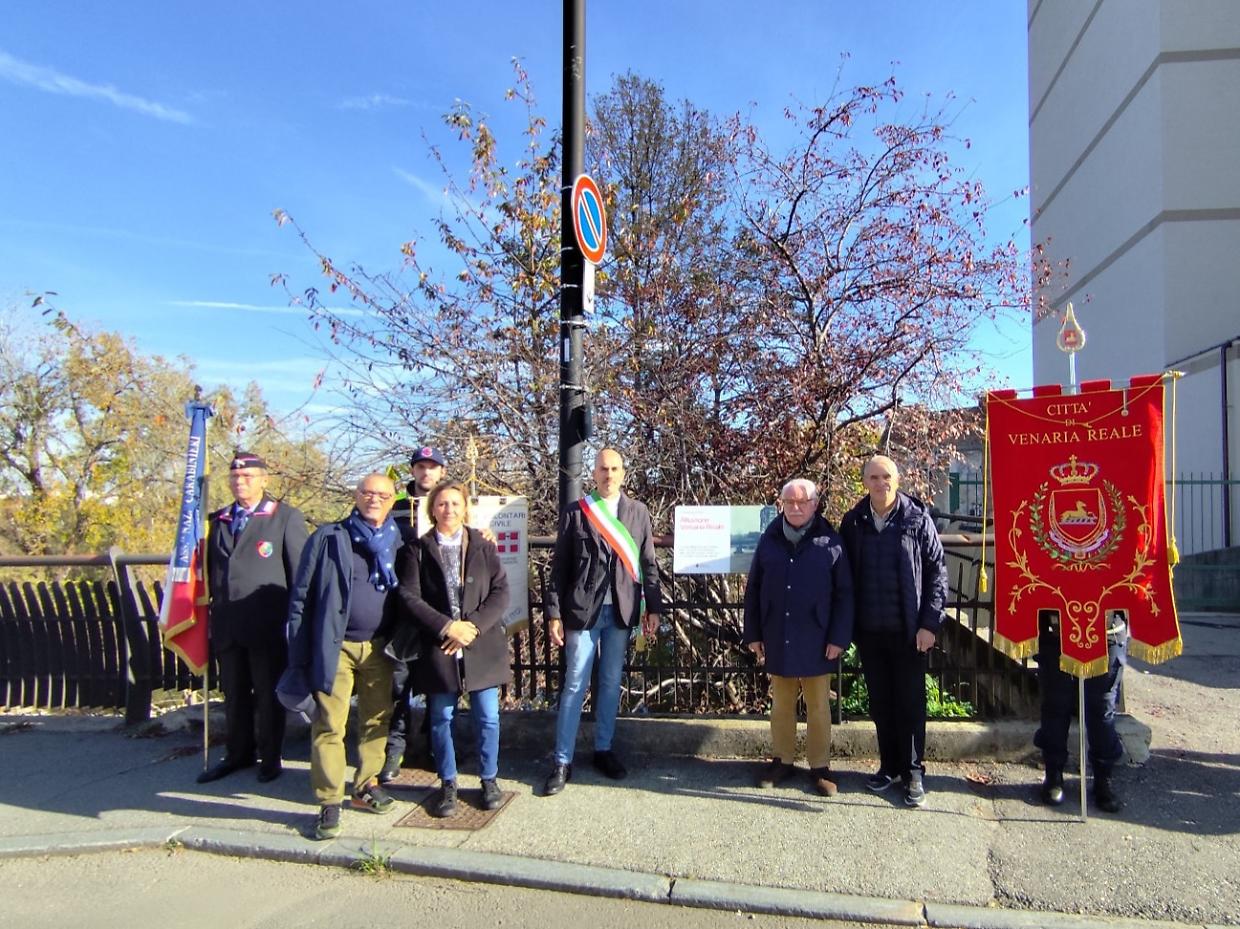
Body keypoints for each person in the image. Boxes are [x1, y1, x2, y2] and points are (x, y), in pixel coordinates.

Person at [285, 473, 407, 840]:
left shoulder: (399, 540)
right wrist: (298, 647)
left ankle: (366, 784)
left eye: (383, 495)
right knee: (329, 724)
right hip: (334, 646)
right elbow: (301, 596)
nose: (375, 500)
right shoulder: (328, 537)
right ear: (356, 495)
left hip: (381, 646)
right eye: (368, 493)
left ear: (392, 500)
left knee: (375, 721)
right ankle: (329, 800)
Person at [542, 448, 664, 796]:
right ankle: (562, 760)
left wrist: (652, 608)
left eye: (614, 469)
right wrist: (553, 613)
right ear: (593, 473)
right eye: (602, 469)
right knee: (575, 684)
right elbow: (559, 569)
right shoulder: (576, 513)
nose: (608, 474)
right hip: (582, 612)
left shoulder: (638, 512)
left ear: (623, 473)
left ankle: (603, 750)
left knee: (610, 683)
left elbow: (648, 564)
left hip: (622, 612)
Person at [396, 480, 510, 817]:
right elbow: (408, 596)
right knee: (441, 717)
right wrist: (448, 627)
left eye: (455, 504)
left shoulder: (483, 545)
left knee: (488, 716)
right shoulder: (417, 549)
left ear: (465, 508)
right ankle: (448, 783)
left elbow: (501, 592)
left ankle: (489, 779)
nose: (449, 510)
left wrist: (472, 626)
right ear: (433, 508)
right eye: (443, 504)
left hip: (480, 643)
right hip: (440, 645)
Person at [839, 455, 947, 808]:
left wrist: (929, 623)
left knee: (911, 703)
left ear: (897, 480)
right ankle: (889, 765)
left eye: (886, 476)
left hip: (909, 632)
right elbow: (843, 578)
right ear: (865, 481)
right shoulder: (853, 522)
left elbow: (936, 572)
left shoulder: (917, 519)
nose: (880, 482)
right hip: (870, 632)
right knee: (881, 703)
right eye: (873, 477)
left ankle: (914, 770)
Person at [199, 451, 307, 785]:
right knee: (233, 693)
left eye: (246, 477)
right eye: (234, 477)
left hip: (266, 624)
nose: (239, 482)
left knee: (266, 693)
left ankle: (270, 756)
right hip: (228, 623)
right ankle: (237, 753)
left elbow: (300, 575)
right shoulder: (219, 521)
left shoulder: (284, 518)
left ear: (263, 480)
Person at [743, 478, 853, 796]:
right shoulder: (769, 540)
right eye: (788, 502)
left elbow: (845, 595)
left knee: (819, 706)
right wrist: (753, 634)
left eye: (801, 502)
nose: (794, 507)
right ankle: (782, 760)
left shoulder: (831, 541)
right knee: (781, 704)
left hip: (819, 637)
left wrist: (839, 637)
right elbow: (754, 590)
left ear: (814, 504)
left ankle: (820, 766)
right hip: (778, 632)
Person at [381, 443, 447, 783]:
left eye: (432, 467)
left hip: (440, 610)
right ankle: (395, 750)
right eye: (420, 466)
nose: (426, 472)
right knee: (400, 685)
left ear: (441, 472)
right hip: (404, 610)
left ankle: (438, 748)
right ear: (413, 471)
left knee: (440, 684)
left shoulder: (450, 506)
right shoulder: (394, 508)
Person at [1034, 608, 1127, 813]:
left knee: (1101, 710)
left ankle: (1104, 778)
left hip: (1106, 629)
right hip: (1058, 628)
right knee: (1056, 705)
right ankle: (1054, 775)